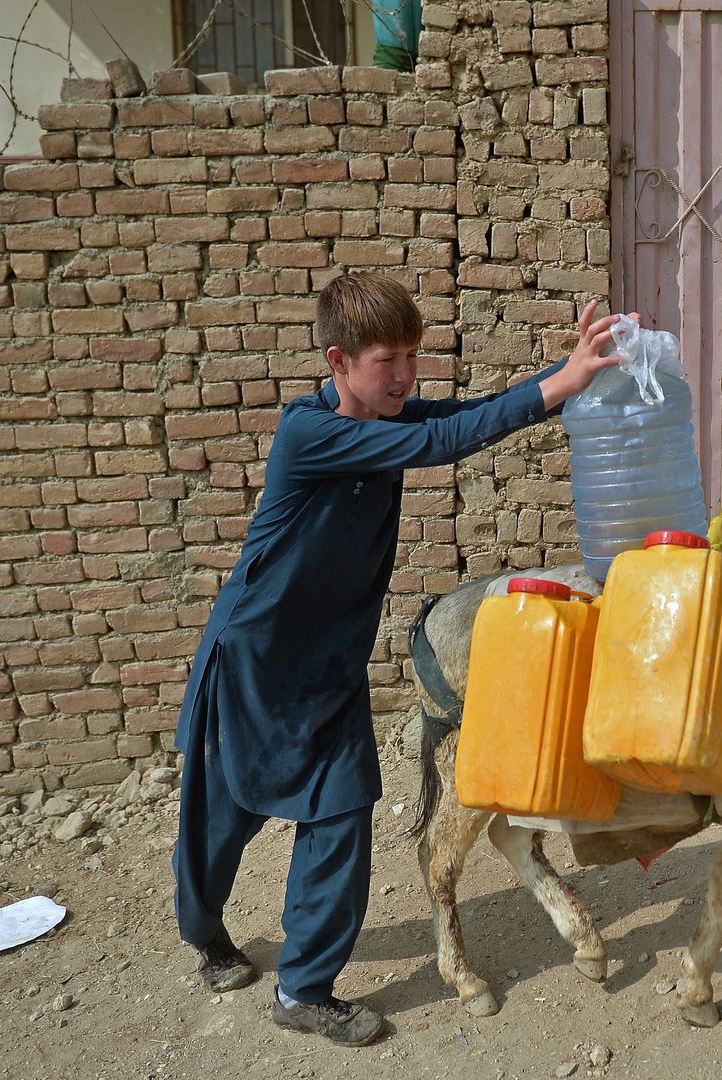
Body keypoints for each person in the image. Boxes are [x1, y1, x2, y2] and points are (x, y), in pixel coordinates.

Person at [172, 272, 632, 1046]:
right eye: (388, 359)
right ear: (338, 361)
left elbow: (461, 418)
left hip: (330, 667)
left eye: (413, 357)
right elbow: (439, 443)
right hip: (259, 662)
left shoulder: (385, 418)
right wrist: (561, 386)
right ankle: (204, 931)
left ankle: (303, 988)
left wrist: (564, 375)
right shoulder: (308, 432)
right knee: (226, 811)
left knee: (344, 811)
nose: (406, 376)